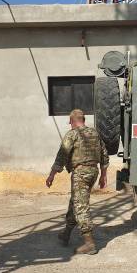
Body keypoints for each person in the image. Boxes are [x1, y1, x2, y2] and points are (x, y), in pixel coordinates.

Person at [46, 109, 109, 255]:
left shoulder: (73, 134)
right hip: (93, 172)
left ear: (73, 121)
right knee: (75, 202)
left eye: (70, 123)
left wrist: (52, 175)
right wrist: (103, 175)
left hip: (80, 173)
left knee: (81, 205)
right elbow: (104, 154)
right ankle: (66, 234)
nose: (70, 126)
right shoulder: (95, 133)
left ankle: (89, 243)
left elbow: (62, 155)